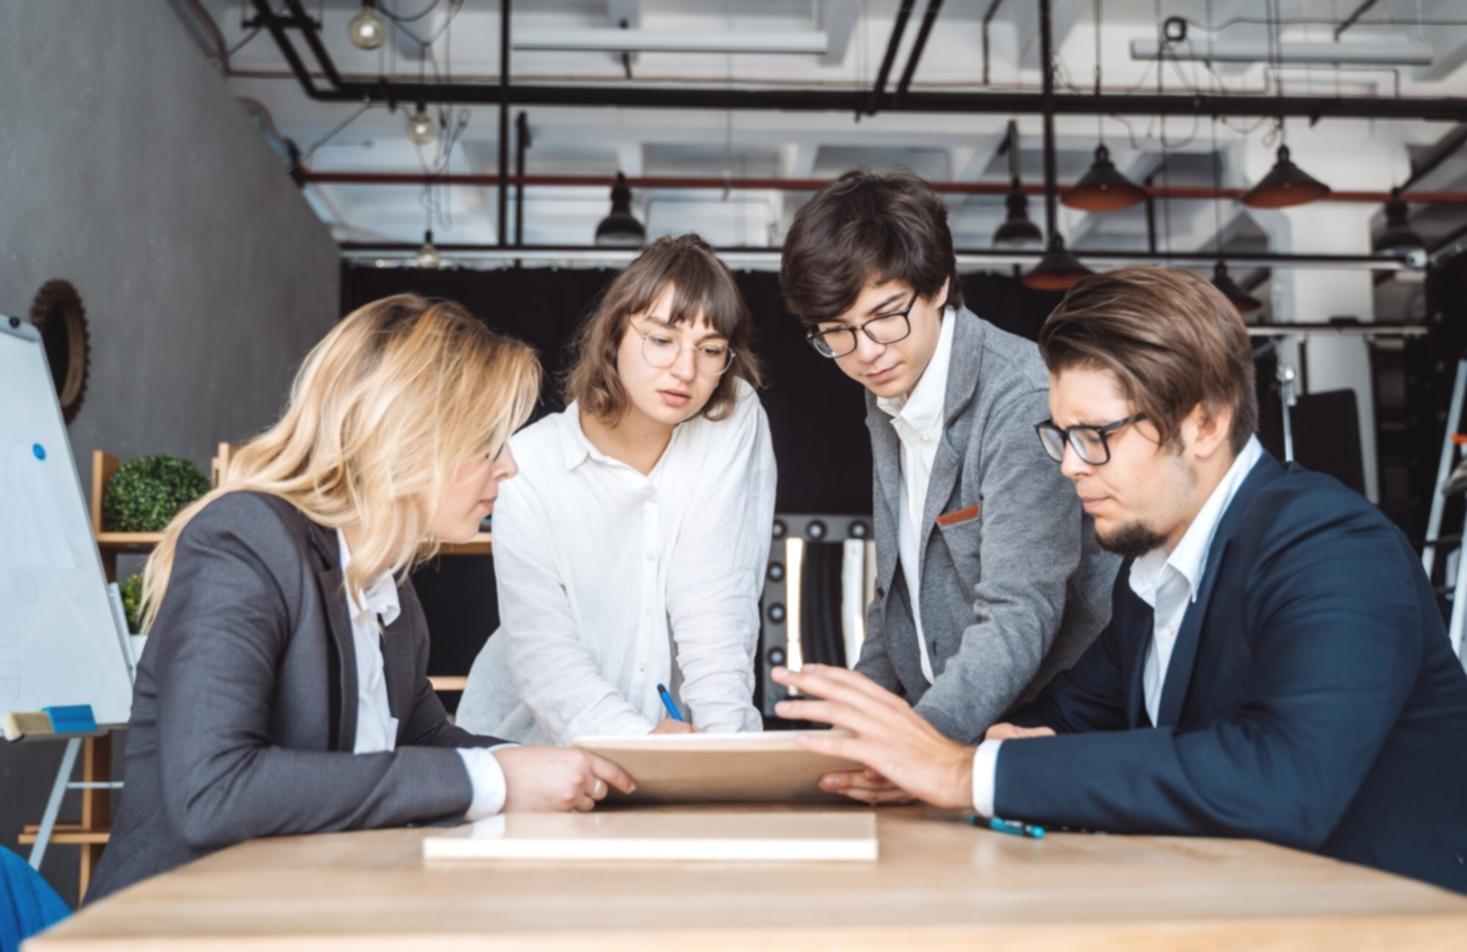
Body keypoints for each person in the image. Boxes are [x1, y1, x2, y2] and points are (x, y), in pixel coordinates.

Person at [773, 266, 1467, 893]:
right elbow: (1063, 725)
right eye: (1062, 436)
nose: (1070, 465)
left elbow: (1282, 779)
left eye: (1094, 436)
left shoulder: (1331, 548)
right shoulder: (1145, 580)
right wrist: (952, 753)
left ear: (1203, 422)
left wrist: (965, 774)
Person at [88, 295, 635, 903]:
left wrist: (584, 766)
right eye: (488, 442)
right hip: (178, 928)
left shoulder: (387, 586)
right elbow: (213, 790)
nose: (508, 466)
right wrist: (496, 777)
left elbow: (426, 741)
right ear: (409, 436)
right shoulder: (243, 541)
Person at [778, 169, 1118, 766]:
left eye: (885, 315)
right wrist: (854, 733)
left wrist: (916, 746)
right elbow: (897, 595)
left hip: (1044, 728)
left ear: (938, 285)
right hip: (947, 727)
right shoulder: (888, 382)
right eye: (836, 331)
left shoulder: (1022, 399)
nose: (865, 353)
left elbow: (1021, 611)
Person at [457, 235, 775, 745]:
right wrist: (640, 745)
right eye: (661, 340)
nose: (686, 370)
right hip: (530, 747)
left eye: (710, 349)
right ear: (614, 337)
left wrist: (726, 757)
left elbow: (718, 603)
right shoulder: (530, 464)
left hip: (673, 754)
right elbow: (543, 652)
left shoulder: (730, 418)